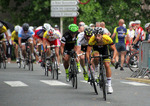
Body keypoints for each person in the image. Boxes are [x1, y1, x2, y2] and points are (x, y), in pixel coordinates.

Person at [86, 27, 117, 94]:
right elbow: (88, 52)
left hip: (104, 50)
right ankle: (96, 69)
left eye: (99, 36)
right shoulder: (92, 40)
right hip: (96, 50)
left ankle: (109, 85)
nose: (97, 37)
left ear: (102, 35)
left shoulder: (107, 38)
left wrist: (113, 58)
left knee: (107, 65)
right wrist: (88, 59)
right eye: (96, 36)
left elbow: (114, 49)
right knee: (96, 56)